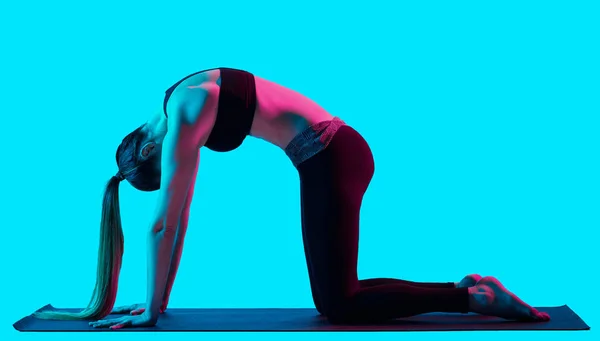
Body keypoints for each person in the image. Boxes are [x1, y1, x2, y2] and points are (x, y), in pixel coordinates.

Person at [34, 67, 550, 329]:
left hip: (333, 155)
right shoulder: (181, 97)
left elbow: (161, 222)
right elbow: (181, 215)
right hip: (327, 156)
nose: (171, 163)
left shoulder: (183, 115)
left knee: (337, 304)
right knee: (337, 296)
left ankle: (472, 297)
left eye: (161, 164)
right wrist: (158, 302)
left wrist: (149, 313)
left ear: (149, 147)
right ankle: (468, 290)